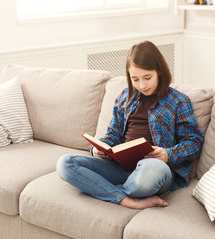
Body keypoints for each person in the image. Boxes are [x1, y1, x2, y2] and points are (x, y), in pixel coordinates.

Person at [57, 40, 203, 210]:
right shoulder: (125, 97)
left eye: (147, 78)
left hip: (154, 169)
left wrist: (168, 154)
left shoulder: (178, 101)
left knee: (150, 170)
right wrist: (100, 149)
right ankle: (127, 199)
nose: (142, 85)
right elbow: (114, 133)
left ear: (160, 72)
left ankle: (104, 189)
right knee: (65, 164)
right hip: (121, 167)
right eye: (135, 79)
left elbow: (194, 141)